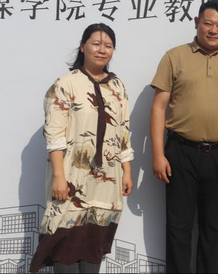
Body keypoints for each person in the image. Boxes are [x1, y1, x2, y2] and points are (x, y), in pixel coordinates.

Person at [150, 0, 218, 273]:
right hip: (180, 153)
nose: (213, 30)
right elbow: (159, 107)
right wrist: (158, 154)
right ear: (197, 22)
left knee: (214, 228)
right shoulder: (175, 57)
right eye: (208, 23)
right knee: (178, 228)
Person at [30, 24, 134, 274]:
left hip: (107, 182)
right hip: (71, 178)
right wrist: (59, 177)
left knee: (92, 246)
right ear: (82, 47)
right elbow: (54, 135)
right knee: (64, 247)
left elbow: (123, 132)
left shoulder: (117, 87)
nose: (102, 50)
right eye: (96, 44)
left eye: (108, 46)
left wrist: (127, 171)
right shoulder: (65, 84)